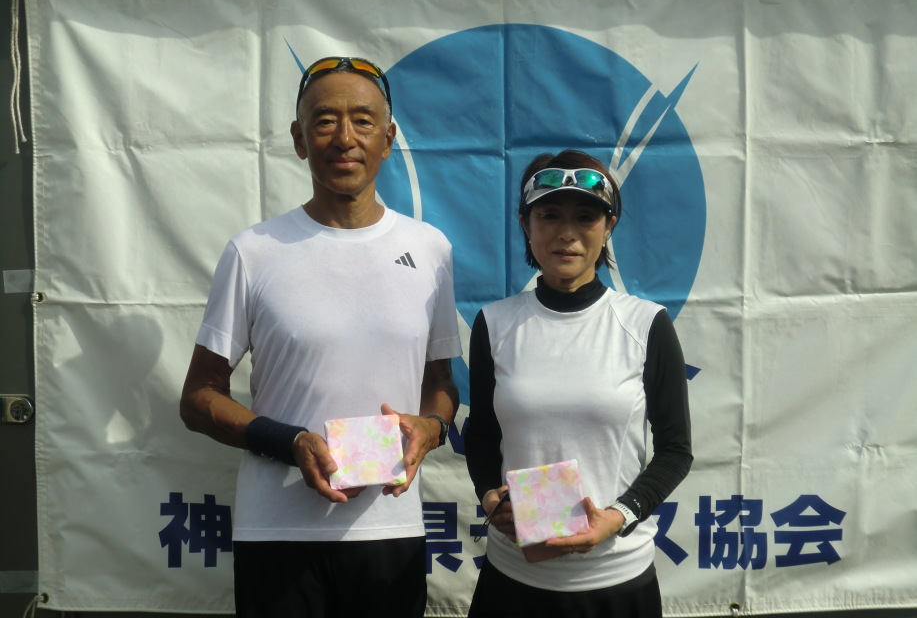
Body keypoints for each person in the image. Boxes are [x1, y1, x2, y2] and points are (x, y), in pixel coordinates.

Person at [180, 56, 461, 618]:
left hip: (389, 530)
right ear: (299, 139)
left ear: (388, 139)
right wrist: (289, 442)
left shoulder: (430, 249)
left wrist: (430, 428)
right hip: (277, 533)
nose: (344, 138)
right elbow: (198, 398)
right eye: (325, 120)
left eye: (363, 120)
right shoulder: (254, 251)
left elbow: (441, 385)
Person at [465, 149, 692, 617]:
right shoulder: (494, 323)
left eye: (586, 217)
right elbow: (483, 434)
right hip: (513, 579)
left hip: (616, 581)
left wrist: (619, 516)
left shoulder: (645, 324)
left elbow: (675, 450)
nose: (566, 233)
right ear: (526, 224)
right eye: (549, 215)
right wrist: (488, 495)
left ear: (608, 227)